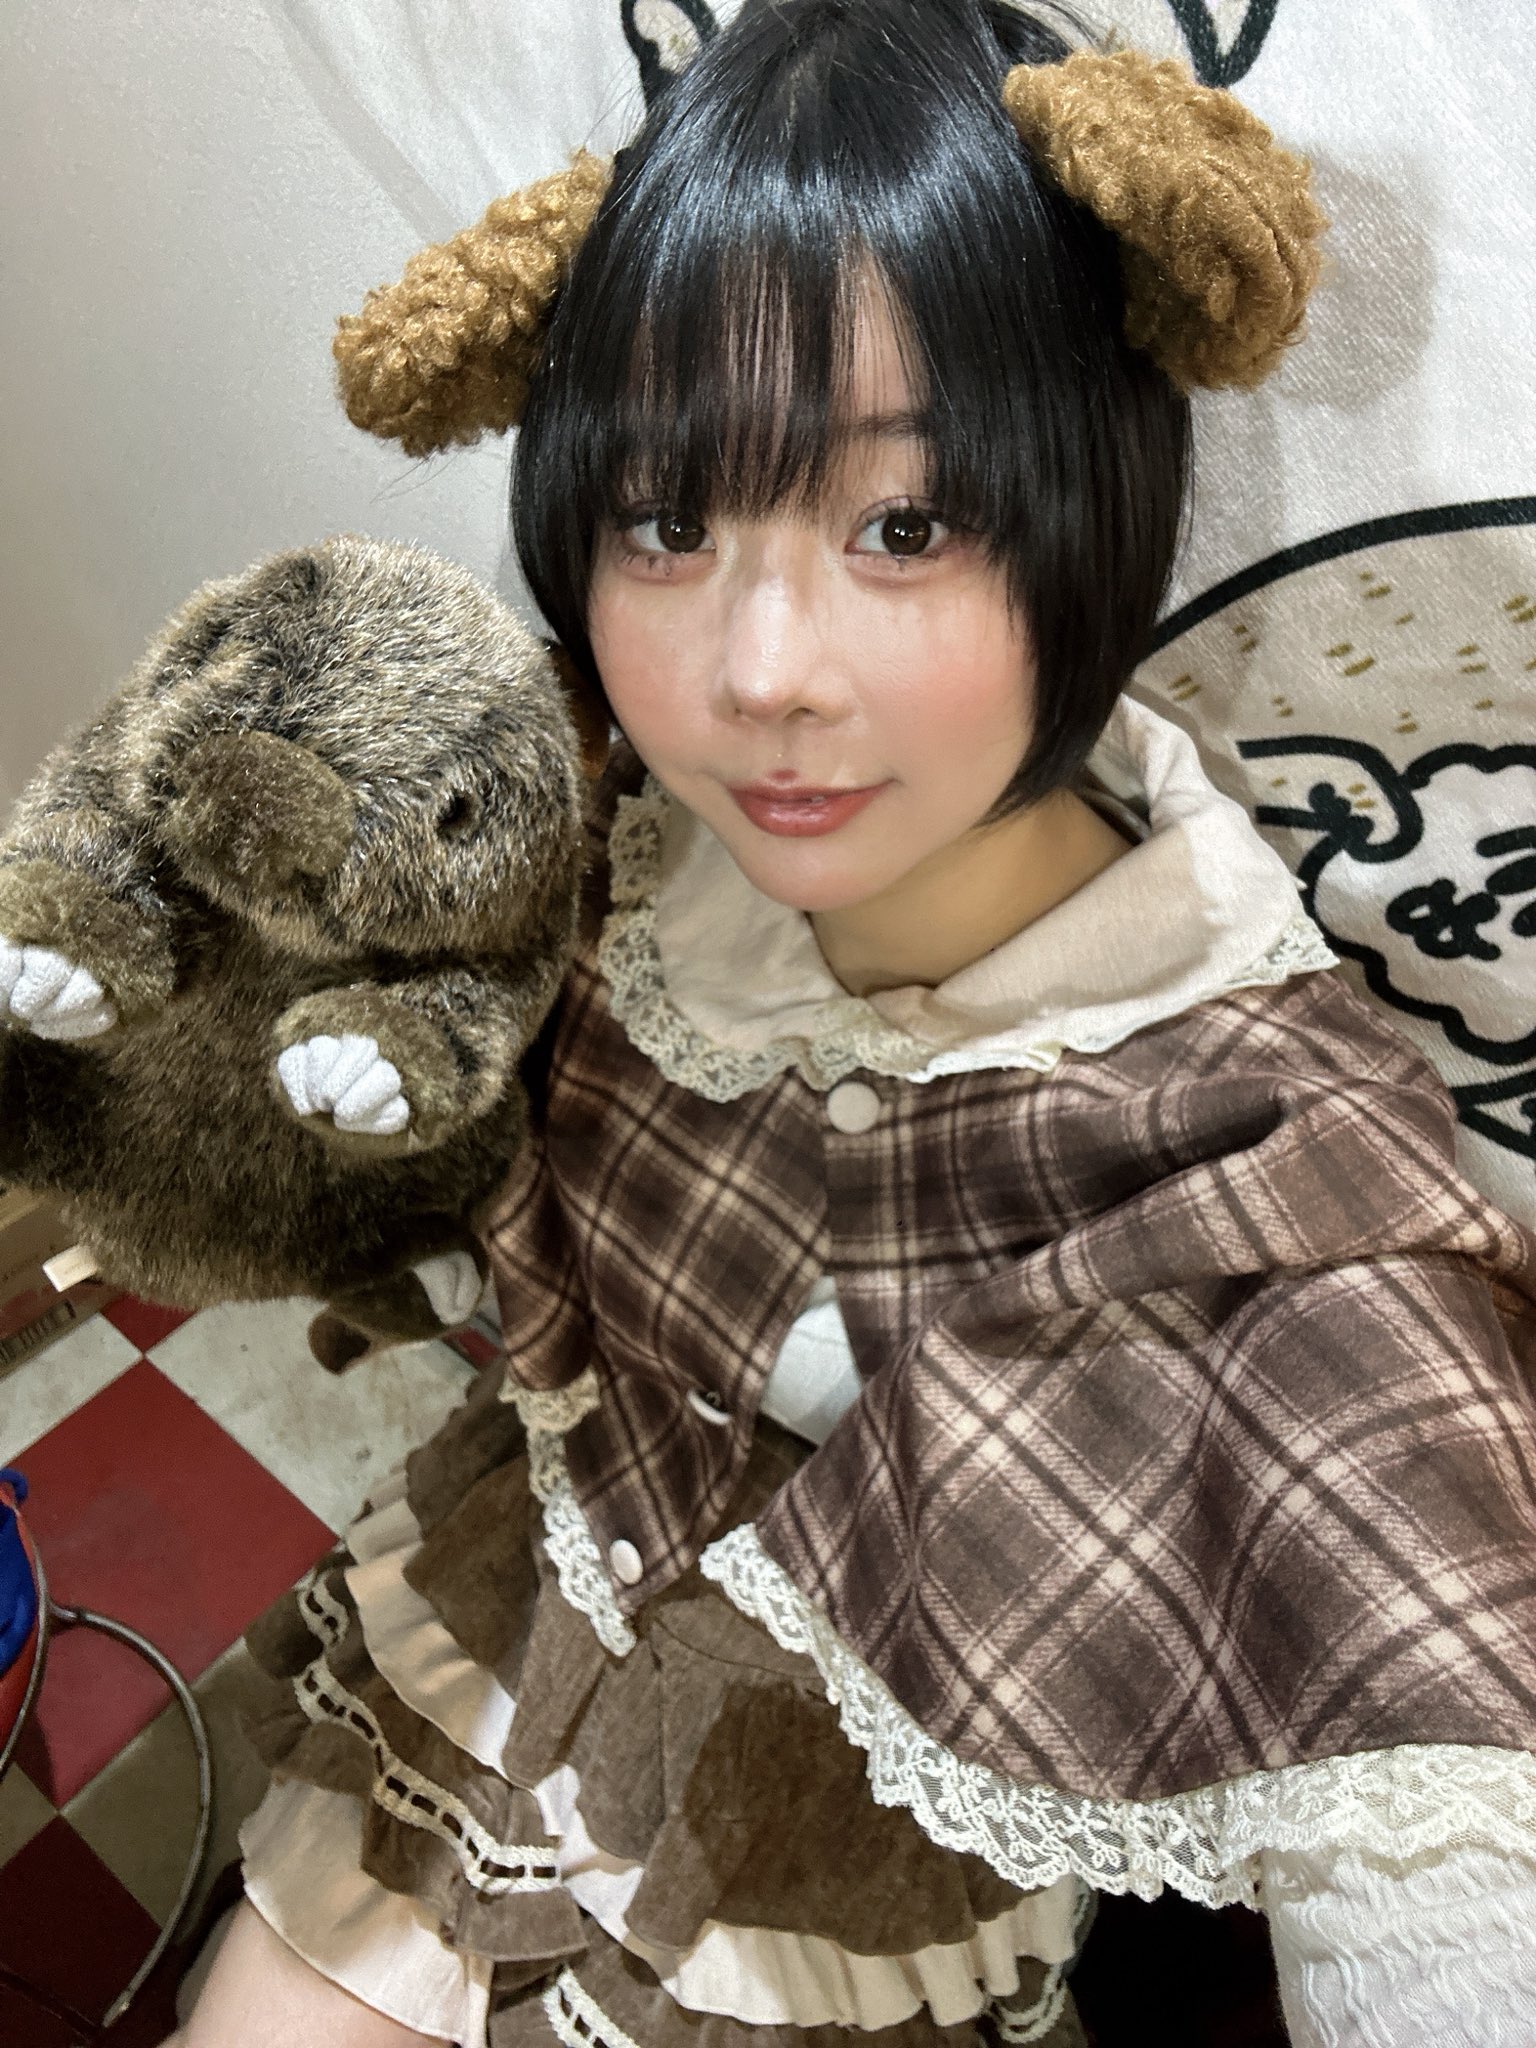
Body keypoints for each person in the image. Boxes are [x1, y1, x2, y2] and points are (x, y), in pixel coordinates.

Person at [175, 2, 1536, 2043]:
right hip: (505, 1630)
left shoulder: (1264, 1163)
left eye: (904, 525)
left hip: (838, 1885)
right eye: (666, 522)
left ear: (1090, 499)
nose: (760, 672)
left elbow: (1438, 1840)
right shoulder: (623, 846)